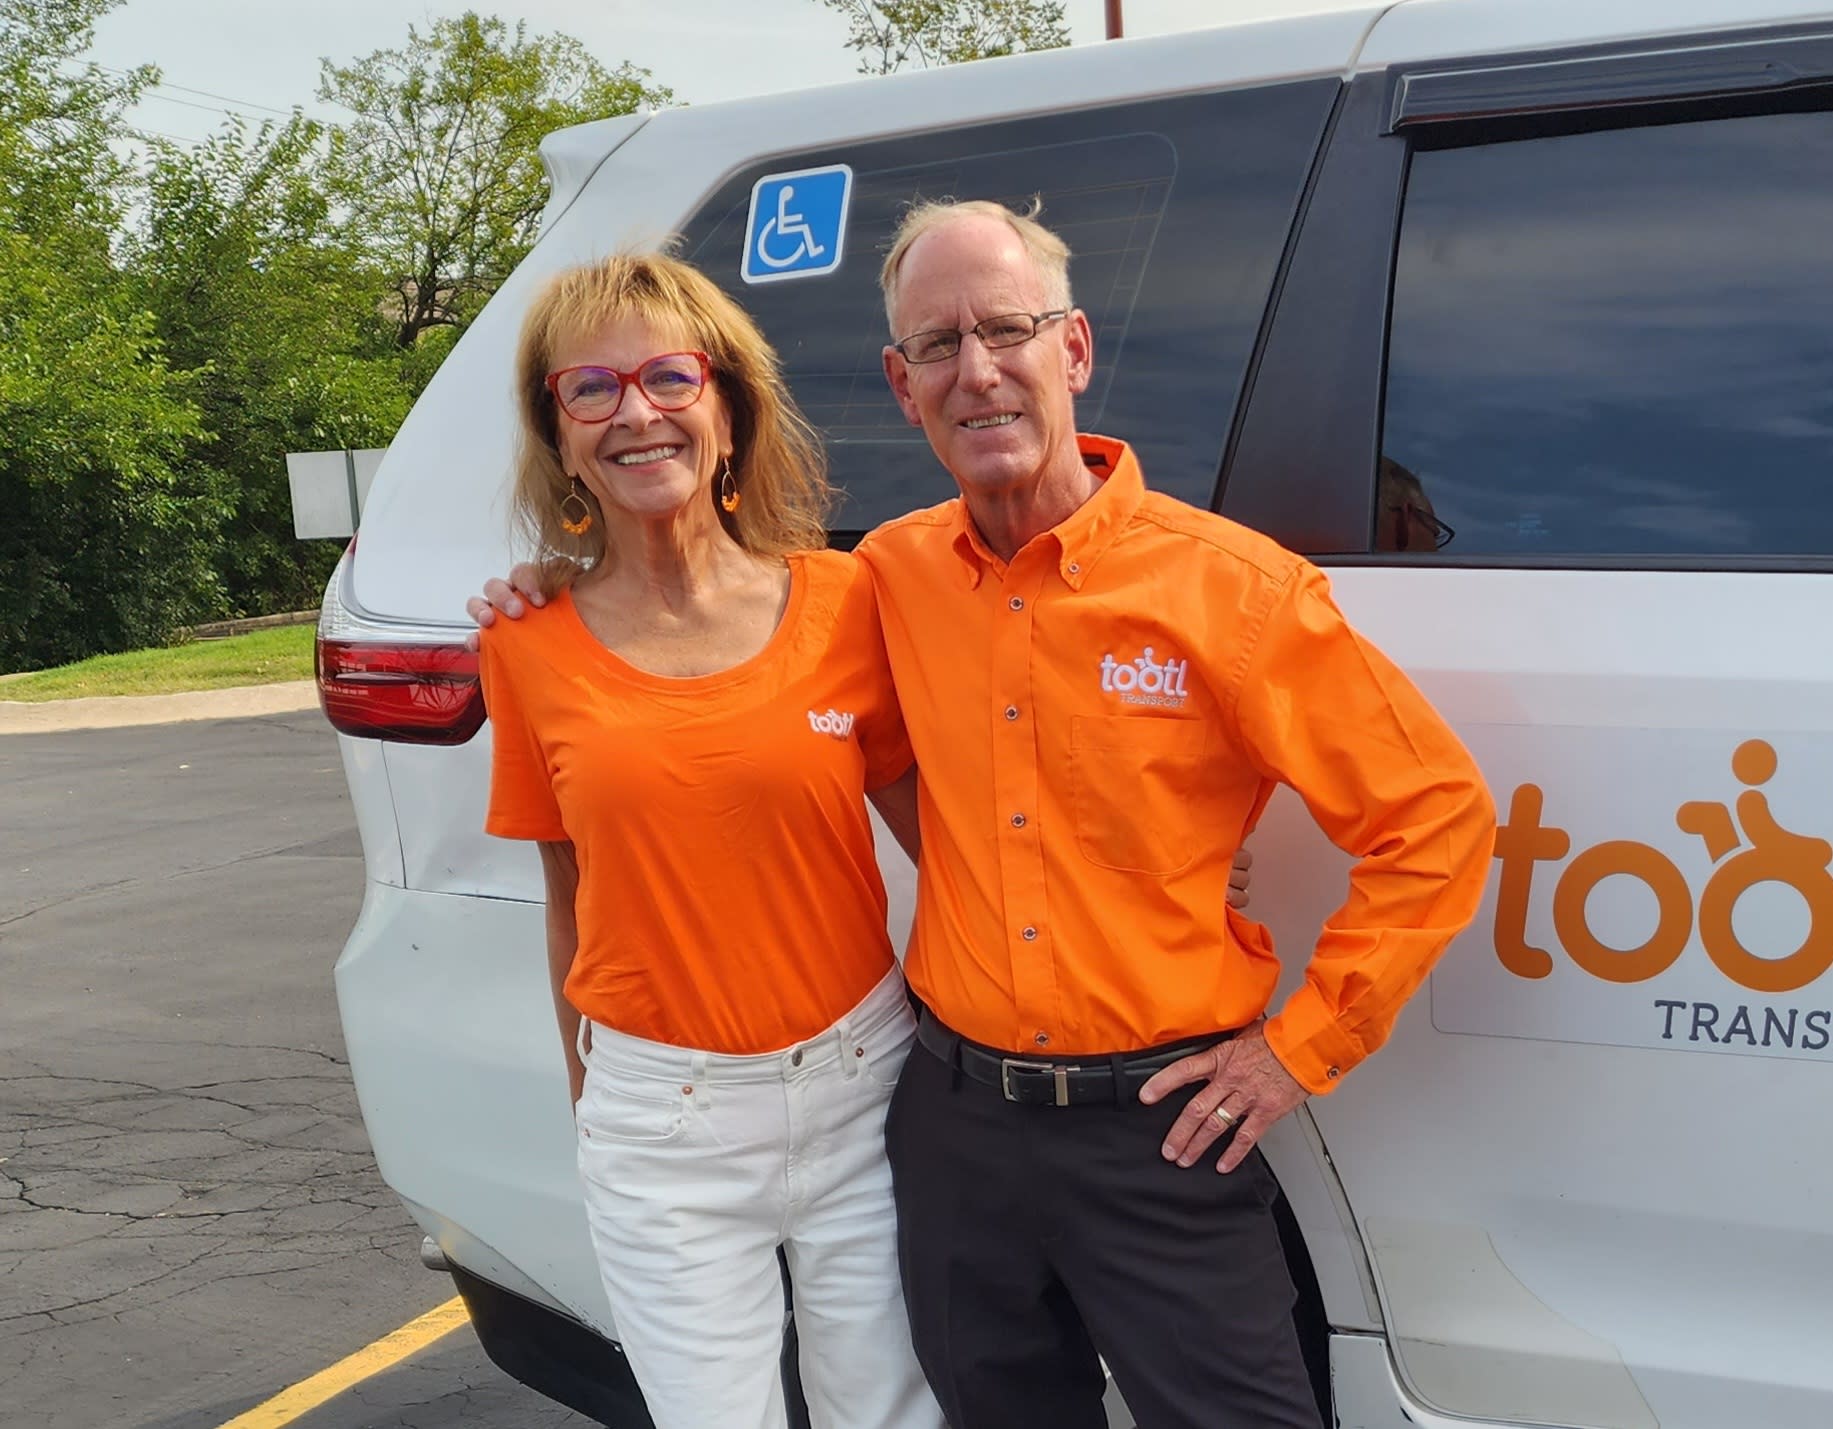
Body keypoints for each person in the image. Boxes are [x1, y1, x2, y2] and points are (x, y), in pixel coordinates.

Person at [859, 199, 1498, 1429]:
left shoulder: (1233, 590)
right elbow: (733, 634)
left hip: (1159, 1133)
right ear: (901, 384)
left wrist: (1297, 1048)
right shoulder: (884, 577)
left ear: (1073, 350)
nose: (976, 370)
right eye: (937, 344)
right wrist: (549, 579)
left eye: (1007, 330)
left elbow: (1436, 817)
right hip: (953, 1126)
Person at [473, 252, 941, 1429]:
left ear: (728, 412)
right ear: (561, 437)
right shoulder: (525, 643)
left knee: (892, 1415)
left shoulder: (845, 602)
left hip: (863, 1085)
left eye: (669, 377)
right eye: (591, 389)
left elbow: (954, 838)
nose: (636, 412)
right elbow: (566, 891)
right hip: (660, 1120)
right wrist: (596, 1106)